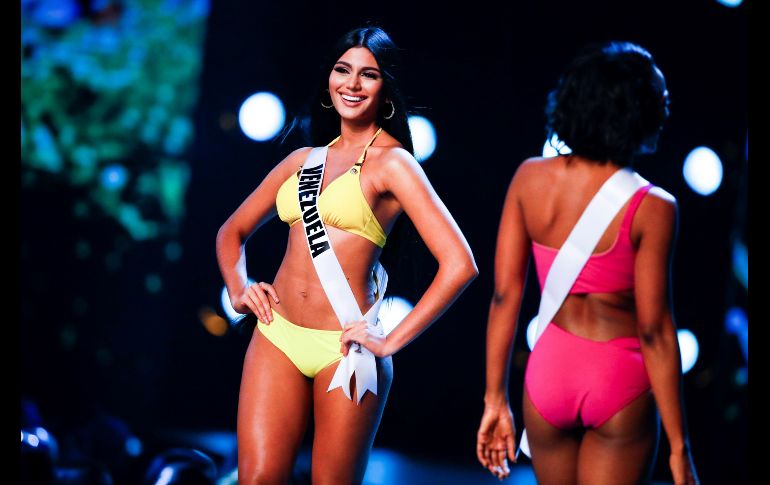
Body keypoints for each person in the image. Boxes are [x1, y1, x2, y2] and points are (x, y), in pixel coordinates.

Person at [216, 26, 477, 484]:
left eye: (368, 74)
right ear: (329, 80)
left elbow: (460, 264)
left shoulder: (394, 163)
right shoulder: (301, 160)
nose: (352, 84)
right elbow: (230, 232)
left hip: (346, 349)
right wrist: (240, 289)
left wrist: (390, 341)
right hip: (277, 334)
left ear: (385, 89)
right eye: (342, 70)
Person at [476, 42, 699, 484]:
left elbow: (504, 297)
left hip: (548, 377)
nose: (666, 105)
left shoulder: (528, 178)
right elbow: (655, 331)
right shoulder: (654, 206)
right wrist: (679, 448)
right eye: (660, 96)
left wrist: (494, 399)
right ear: (635, 112)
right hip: (619, 380)